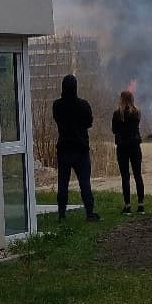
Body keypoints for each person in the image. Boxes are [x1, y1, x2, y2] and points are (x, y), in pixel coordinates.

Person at [52, 74, 100, 222]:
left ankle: (61, 214)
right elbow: (89, 123)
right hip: (80, 149)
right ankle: (90, 213)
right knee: (85, 182)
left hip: (64, 148)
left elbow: (57, 120)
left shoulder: (57, 105)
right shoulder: (83, 105)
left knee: (63, 183)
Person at [112, 90, 145, 214]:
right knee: (138, 175)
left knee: (125, 177)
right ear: (132, 99)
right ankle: (141, 205)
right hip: (135, 146)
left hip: (122, 147)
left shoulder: (117, 114)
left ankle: (127, 206)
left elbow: (114, 129)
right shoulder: (136, 113)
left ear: (121, 99)